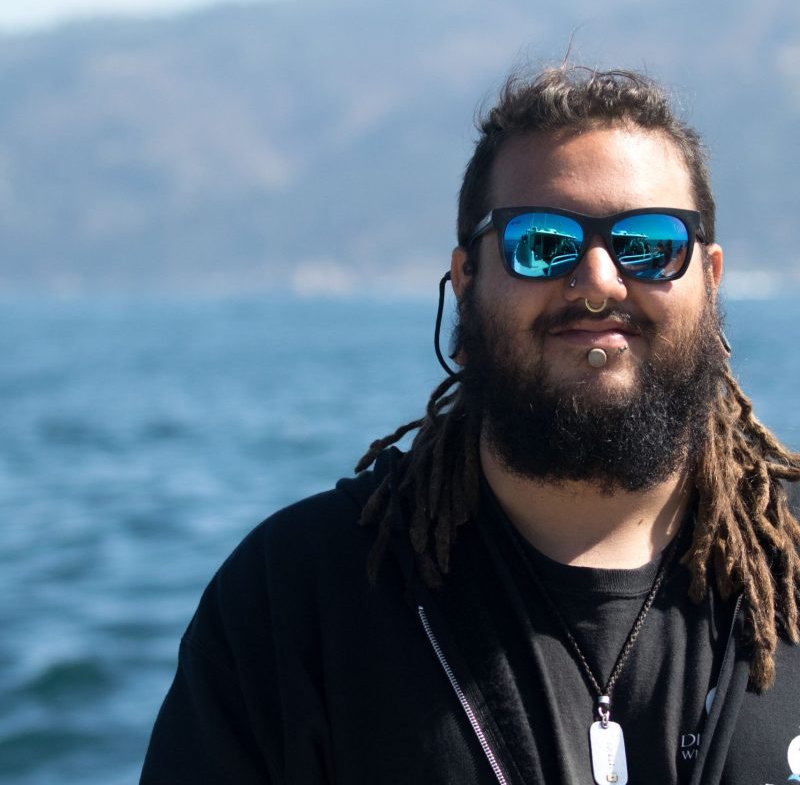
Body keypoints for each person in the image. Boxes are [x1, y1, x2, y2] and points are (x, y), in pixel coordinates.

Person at [140, 66, 800, 785]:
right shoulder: (294, 602)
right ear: (466, 279)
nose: (599, 280)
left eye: (649, 244)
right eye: (542, 243)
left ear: (709, 277)